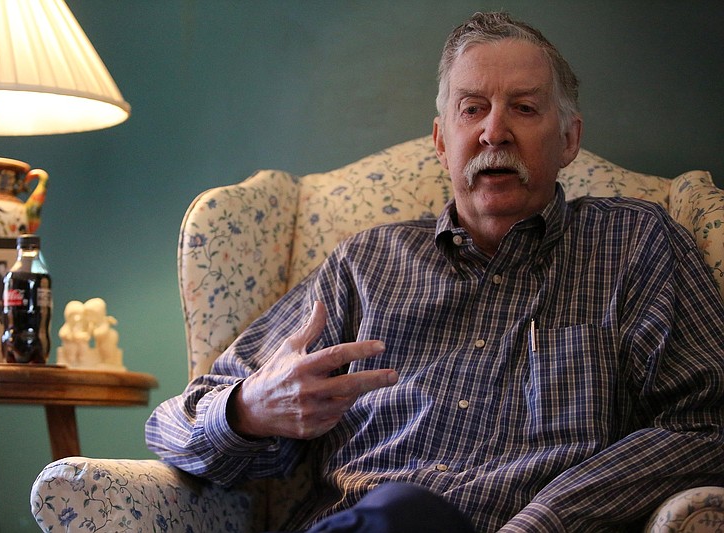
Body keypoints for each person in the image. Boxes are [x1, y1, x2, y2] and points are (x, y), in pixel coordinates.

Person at [146, 11, 724, 532]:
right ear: (442, 141)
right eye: (472, 109)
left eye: (523, 108)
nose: (494, 132)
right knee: (395, 513)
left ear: (568, 138)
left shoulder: (637, 245)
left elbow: (708, 427)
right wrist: (249, 410)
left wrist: (547, 519)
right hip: (356, 522)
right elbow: (172, 425)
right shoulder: (364, 266)